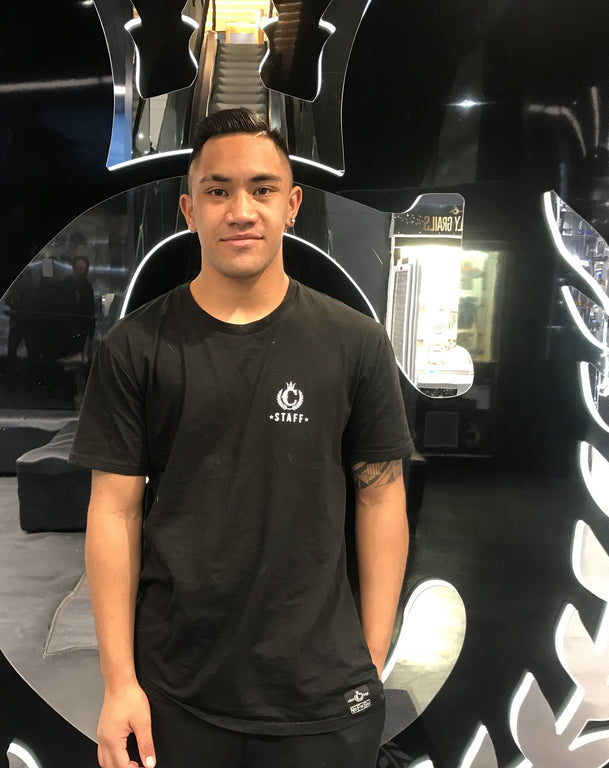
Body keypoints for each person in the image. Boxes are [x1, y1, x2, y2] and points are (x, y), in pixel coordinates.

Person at [70, 108, 412, 768]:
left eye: (261, 189)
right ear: (188, 209)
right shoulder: (136, 347)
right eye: (218, 190)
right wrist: (119, 683)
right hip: (177, 690)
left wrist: (371, 654)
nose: (241, 210)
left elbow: (381, 497)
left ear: (292, 206)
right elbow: (113, 512)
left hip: (322, 694)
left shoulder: (356, 343)